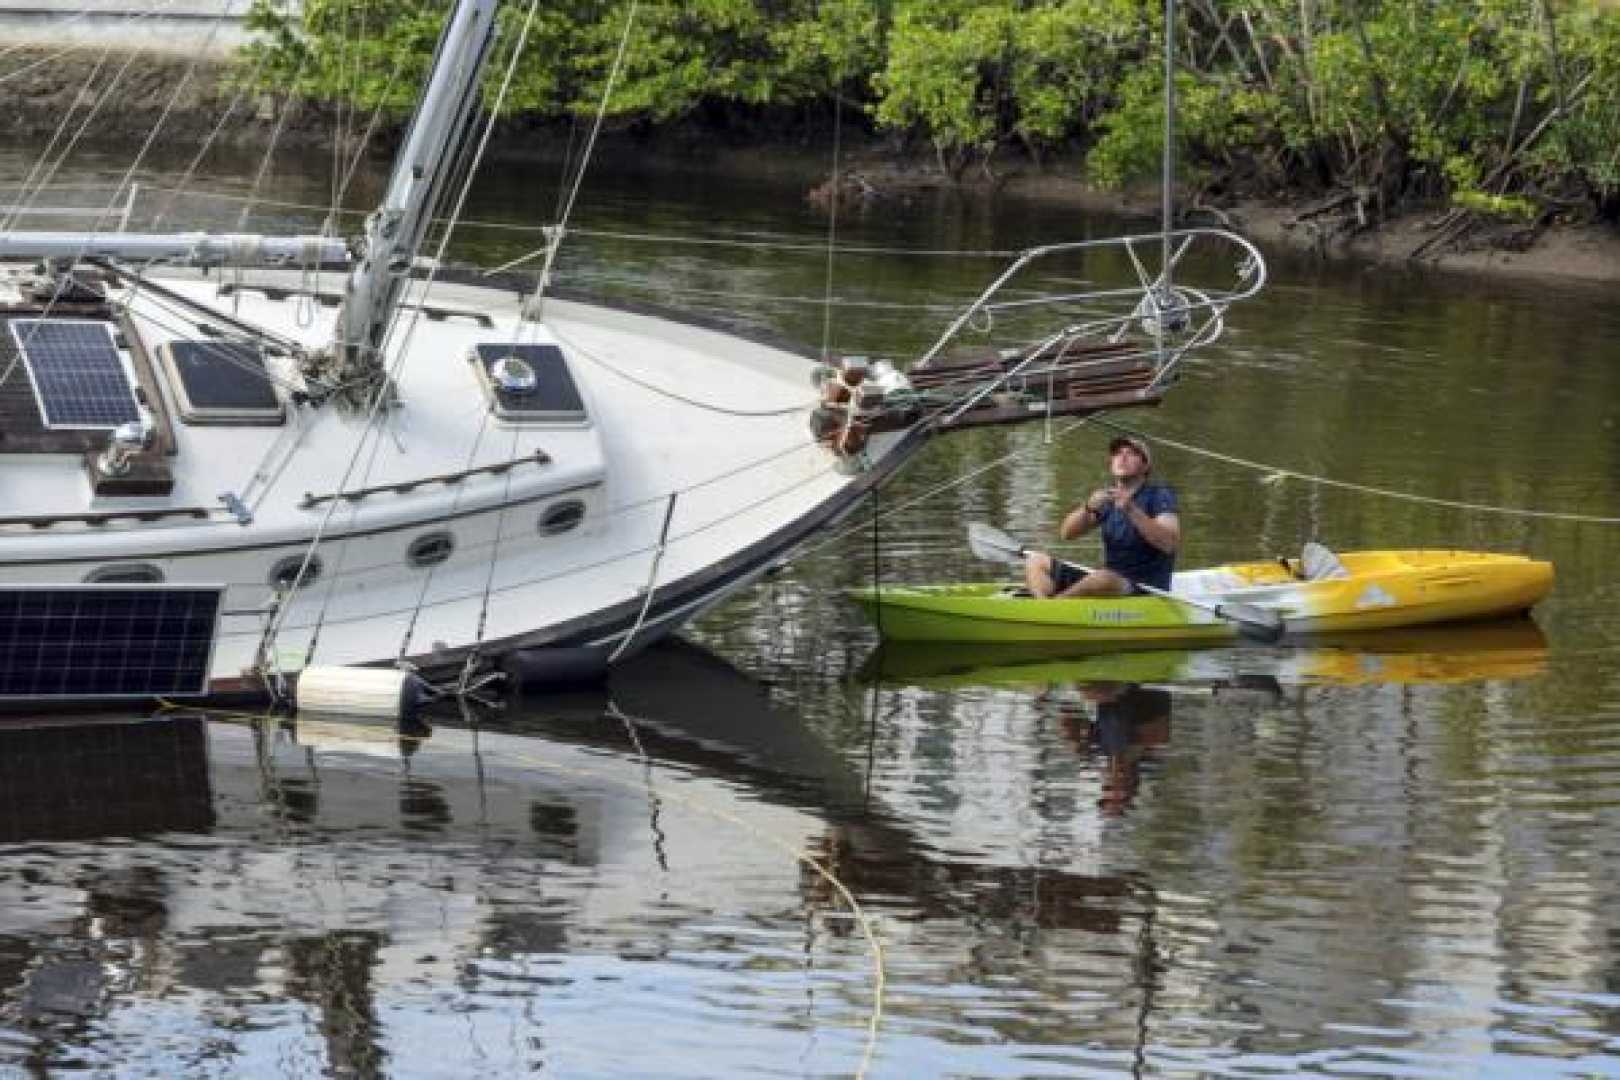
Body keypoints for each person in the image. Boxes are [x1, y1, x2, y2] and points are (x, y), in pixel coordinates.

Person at [1024, 434, 1179, 598]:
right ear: (1111, 463)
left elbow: (1168, 543)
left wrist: (1131, 510)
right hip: (1108, 580)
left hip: (1145, 587)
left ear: (1145, 465)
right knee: (1036, 560)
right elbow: (1066, 534)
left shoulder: (1160, 495)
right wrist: (1088, 508)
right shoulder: (1107, 498)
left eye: (1132, 453)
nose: (1123, 457)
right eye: (1118, 453)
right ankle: (1042, 606)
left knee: (1102, 577)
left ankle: (1055, 607)